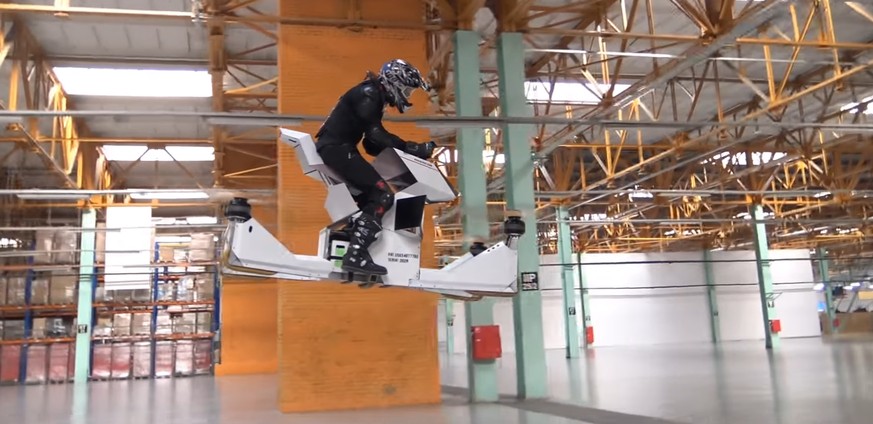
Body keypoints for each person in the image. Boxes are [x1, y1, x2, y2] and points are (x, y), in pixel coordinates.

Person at [315, 59, 436, 276]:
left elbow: (370, 143)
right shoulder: (370, 94)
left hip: (337, 148)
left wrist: (397, 150)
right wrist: (412, 148)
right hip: (336, 149)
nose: (407, 95)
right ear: (394, 82)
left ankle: (354, 242)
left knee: (369, 198)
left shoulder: (372, 95)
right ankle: (355, 255)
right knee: (383, 195)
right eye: (407, 90)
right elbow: (375, 134)